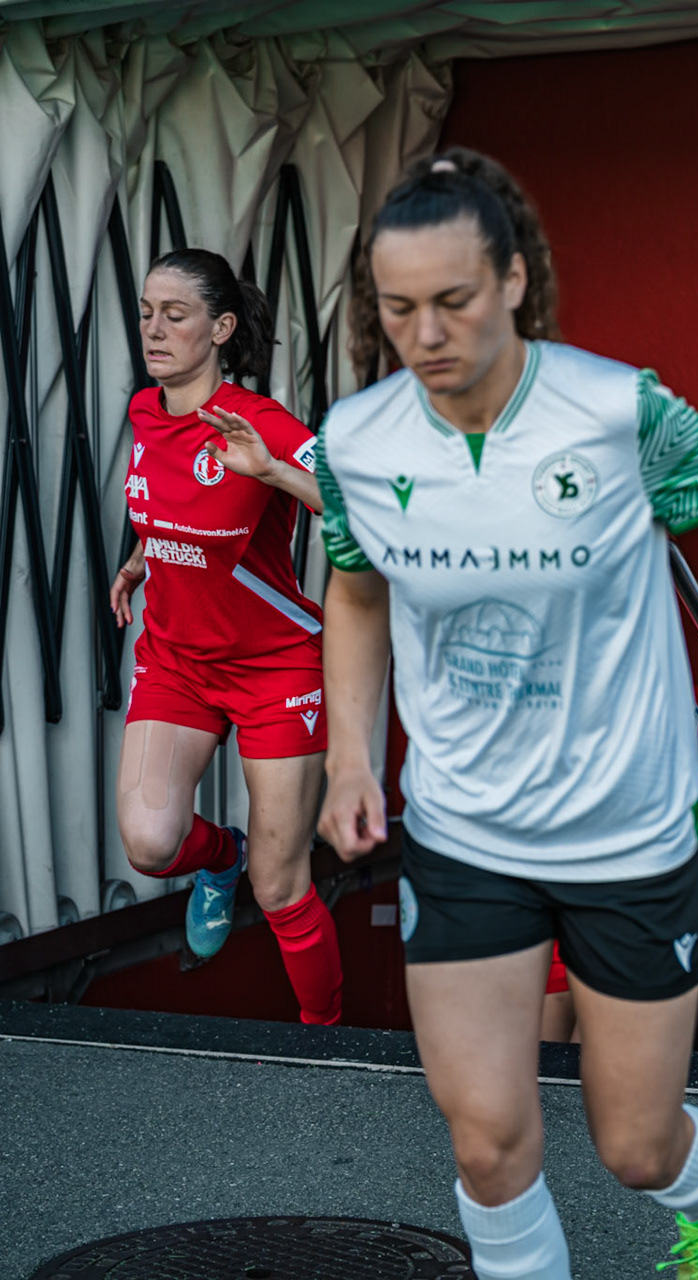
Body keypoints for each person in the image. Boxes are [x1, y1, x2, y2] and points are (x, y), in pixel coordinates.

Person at [317, 149, 698, 1280]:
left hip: (627, 832)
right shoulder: (356, 443)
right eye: (398, 308)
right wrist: (349, 757)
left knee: (635, 1146)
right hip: (465, 829)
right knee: (487, 1140)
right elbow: (357, 588)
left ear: (515, 279)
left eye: (454, 299)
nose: (426, 333)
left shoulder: (618, 410)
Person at [110, 247, 342, 1027]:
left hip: (275, 668)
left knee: (280, 889)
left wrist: (273, 472)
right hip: (178, 660)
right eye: (147, 312)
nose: (154, 329)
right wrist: (141, 559)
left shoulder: (260, 422)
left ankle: (327, 1050)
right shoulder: (145, 412)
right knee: (150, 844)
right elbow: (165, 503)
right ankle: (221, 856)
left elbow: (358, 504)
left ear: (220, 328)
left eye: (175, 315)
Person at [541, 709, 698, 1045]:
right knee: (544, 1064)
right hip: (548, 906)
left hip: (630, 906)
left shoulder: (659, 691)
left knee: (604, 1062)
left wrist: (675, 841)